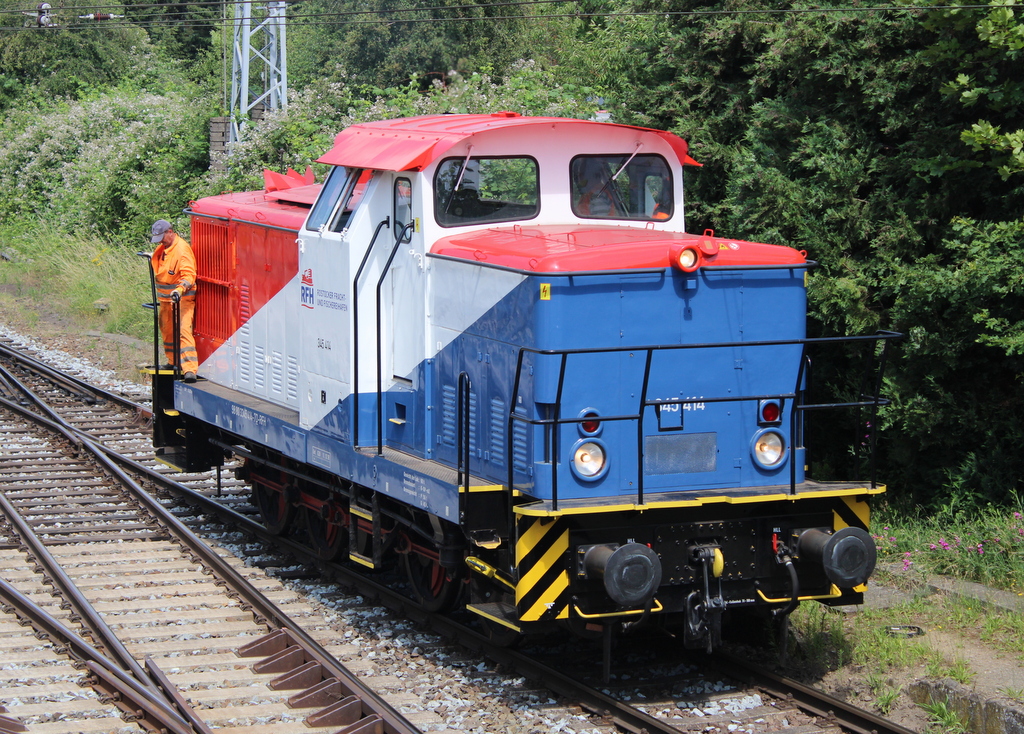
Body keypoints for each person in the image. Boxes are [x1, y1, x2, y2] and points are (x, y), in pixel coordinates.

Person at [150, 219, 198, 382]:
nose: (160, 242)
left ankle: (189, 369)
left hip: (182, 299)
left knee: (183, 330)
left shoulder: (182, 250)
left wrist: (179, 290)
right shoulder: (165, 248)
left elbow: (189, 275)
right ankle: (173, 361)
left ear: (170, 232)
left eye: (162, 238)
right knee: (167, 329)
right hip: (165, 300)